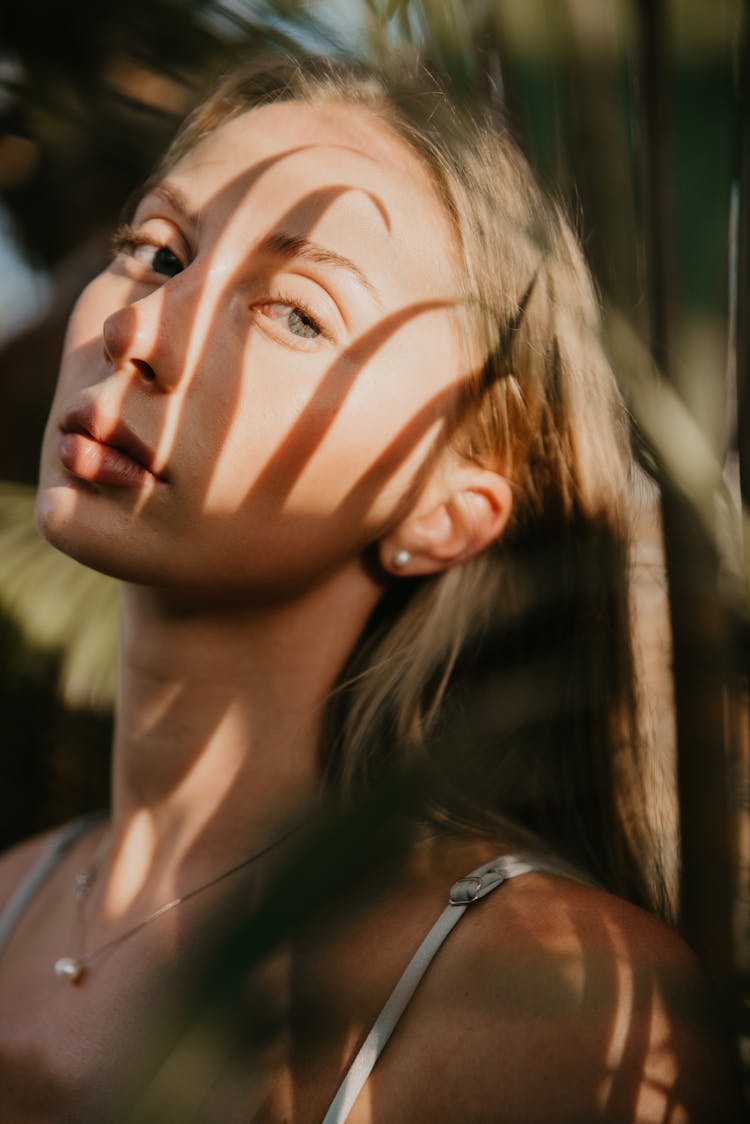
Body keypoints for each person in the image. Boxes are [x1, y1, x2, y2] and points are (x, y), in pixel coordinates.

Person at [0, 52, 742, 1123]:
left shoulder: (555, 1006)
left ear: (448, 508)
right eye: (157, 250)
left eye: (296, 312)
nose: (138, 330)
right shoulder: (10, 897)